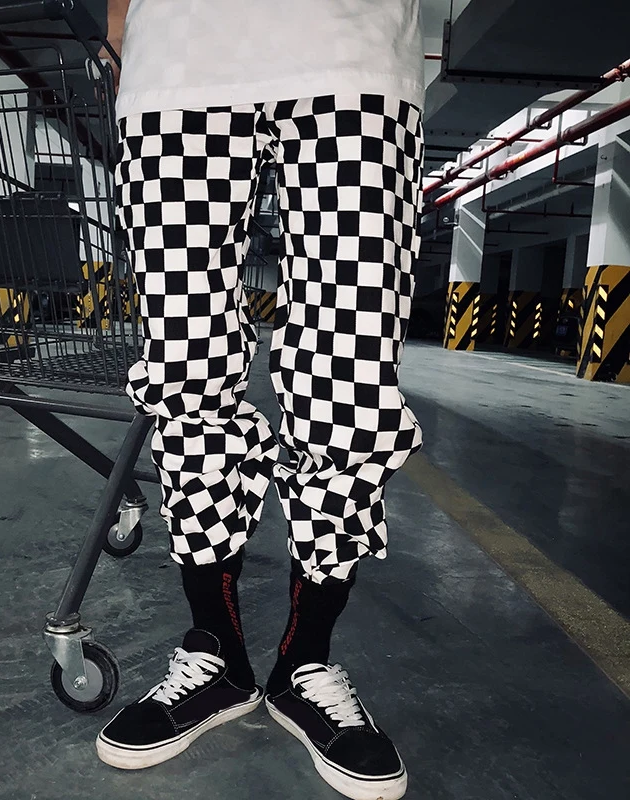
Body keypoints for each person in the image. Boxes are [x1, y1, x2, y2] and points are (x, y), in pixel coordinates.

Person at [95, 3, 425, 799]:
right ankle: (218, 655)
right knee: (186, 374)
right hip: (177, 62)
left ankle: (305, 663)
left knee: (347, 387)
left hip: (354, 53)